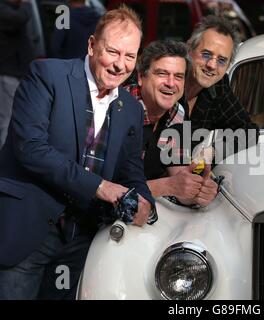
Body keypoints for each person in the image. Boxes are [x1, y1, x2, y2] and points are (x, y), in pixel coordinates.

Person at [0, 5, 155, 300]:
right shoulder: (47, 74)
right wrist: (99, 186)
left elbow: (131, 169)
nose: (120, 65)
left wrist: (144, 201)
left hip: (81, 241)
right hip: (28, 232)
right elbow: (30, 148)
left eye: (130, 56)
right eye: (113, 52)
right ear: (92, 45)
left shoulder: (131, 109)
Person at [128, 40, 218, 207]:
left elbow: (179, 178)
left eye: (178, 76)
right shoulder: (117, 109)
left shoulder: (178, 113)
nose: (171, 83)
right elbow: (103, 186)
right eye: (162, 73)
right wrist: (167, 186)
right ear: (141, 77)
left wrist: (197, 190)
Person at [183, 15, 259, 162]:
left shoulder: (218, 87)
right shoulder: (170, 77)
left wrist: (212, 152)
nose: (212, 65)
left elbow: (249, 132)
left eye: (222, 60)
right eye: (206, 54)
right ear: (189, 49)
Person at [0, 0, 35, 148]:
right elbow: (19, 18)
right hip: (8, 73)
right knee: (7, 119)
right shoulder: (4, 10)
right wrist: (27, 4)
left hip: (16, 72)